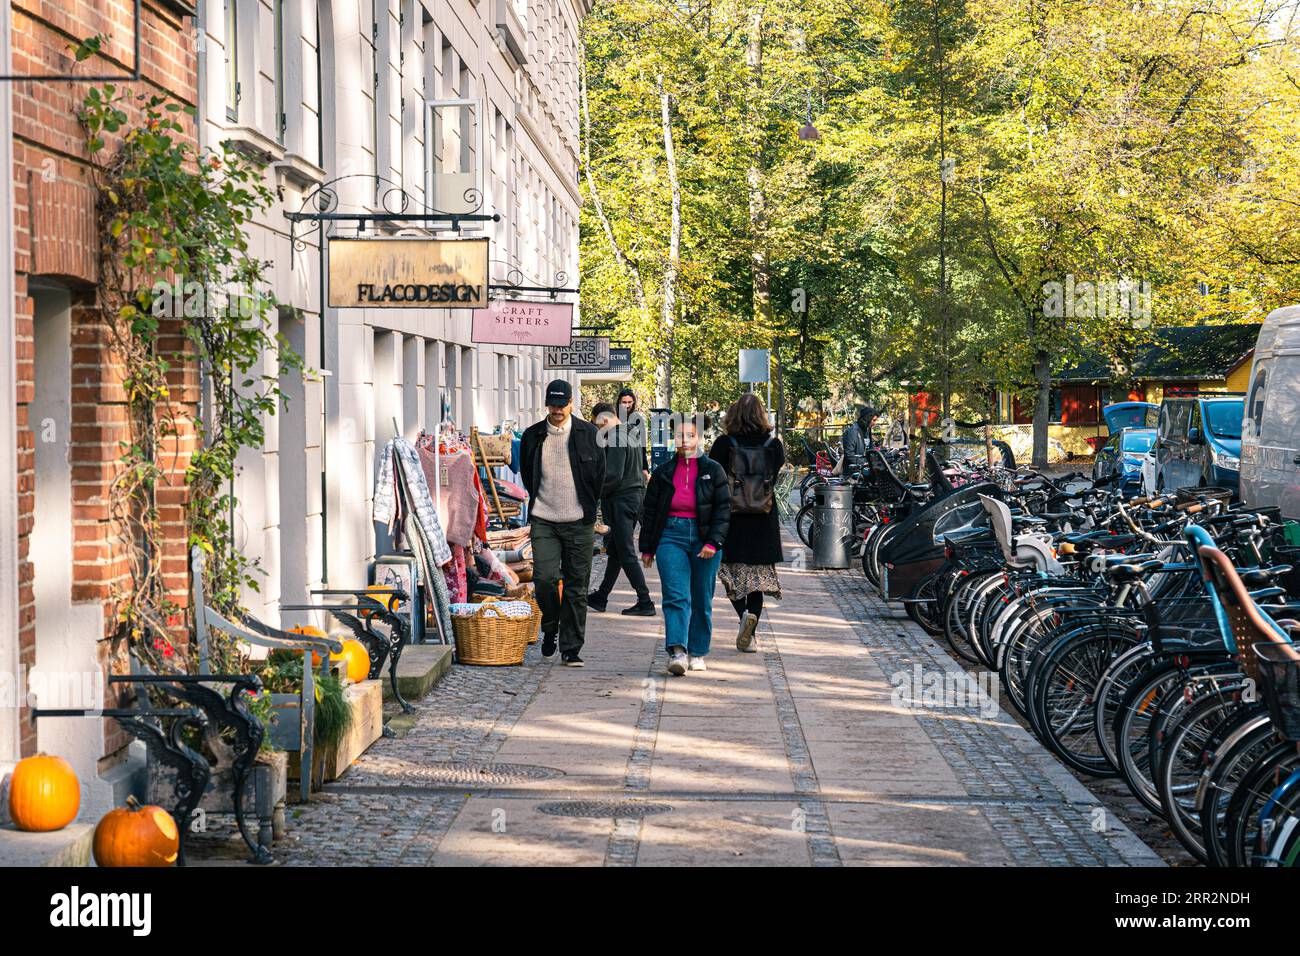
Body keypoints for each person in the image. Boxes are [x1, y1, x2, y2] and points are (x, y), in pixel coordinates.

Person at [520, 379, 605, 666]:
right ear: (547, 404)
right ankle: (550, 625)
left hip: (579, 521)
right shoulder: (533, 436)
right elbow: (527, 474)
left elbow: (599, 476)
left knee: (576, 586)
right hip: (544, 518)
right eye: (553, 404)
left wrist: (590, 509)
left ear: (572, 403)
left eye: (562, 404)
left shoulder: (589, 433)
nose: (557, 410)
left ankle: (571, 648)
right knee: (544, 578)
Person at [639, 414, 730, 676]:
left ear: (699, 438)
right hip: (671, 535)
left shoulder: (714, 470)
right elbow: (650, 511)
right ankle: (678, 651)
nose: (685, 441)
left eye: (690, 435)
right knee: (676, 595)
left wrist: (714, 542)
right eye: (679, 435)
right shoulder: (663, 472)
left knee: (702, 597)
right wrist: (647, 547)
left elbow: (723, 510)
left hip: (704, 538)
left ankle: (698, 651)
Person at [709, 393, 785, 653]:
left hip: (732, 517)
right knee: (758, 579)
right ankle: (750, 630)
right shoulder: (773, 444)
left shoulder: (723, 444)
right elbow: (775, 473)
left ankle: (744, 615)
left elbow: (712, 476)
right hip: (763, 517)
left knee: (731, 574)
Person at [588, 402, 655, 616]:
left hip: (620, 500)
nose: (598, 431)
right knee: (617, 551)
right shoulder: (630, 432)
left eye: (597, 426)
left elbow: (614, 475)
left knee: (625, 552)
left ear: (605, 420)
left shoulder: (616, 436)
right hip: (633, 497)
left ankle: (645, 601)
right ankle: (601, 596)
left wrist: (593, 492)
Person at [617, 386, 651, 483]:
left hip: (634, 462)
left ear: (633, 402)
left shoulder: (637, 419)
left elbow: (643, 445)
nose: (627, 405)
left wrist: (645, 467)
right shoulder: (614, 417)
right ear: (619, 402)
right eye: (624, 402)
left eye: (629, 402)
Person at [836, 405, 876, 475]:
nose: (875, 423)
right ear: (867, 418)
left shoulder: (867, 429)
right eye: (874, 420)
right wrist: (864, 463)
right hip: (853, 471)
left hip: (864, 468)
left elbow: (870, 449)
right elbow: (849, 454)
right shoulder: (853, 431)